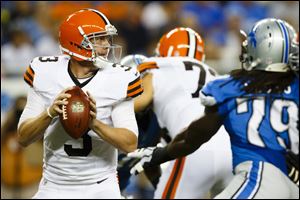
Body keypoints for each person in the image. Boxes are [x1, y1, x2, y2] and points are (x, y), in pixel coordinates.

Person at [128, 18, 299, 199]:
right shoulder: (293, 88)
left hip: (259, 174)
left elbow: (194, 136)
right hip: (284, 179)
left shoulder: (231, 87)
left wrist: (160, 154)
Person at [17, 9, 143, 199]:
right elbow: (23, 137)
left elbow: (130, 144)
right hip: (54, 185)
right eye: (98, 39)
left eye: (107, 38)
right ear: (75, 41)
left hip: (101, 185)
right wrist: (49, 113)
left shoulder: (119, 78)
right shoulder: (44, 71)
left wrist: (94, 123)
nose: (106, 44)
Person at [122, 27, 233, 198]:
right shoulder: (214, 74)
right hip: (231, 152)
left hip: (193, 146)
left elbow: (136, 104)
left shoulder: (159, 69)